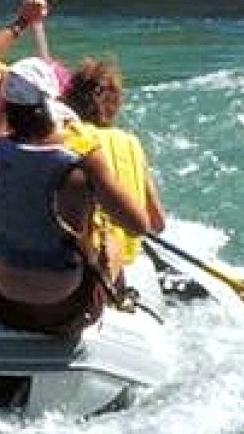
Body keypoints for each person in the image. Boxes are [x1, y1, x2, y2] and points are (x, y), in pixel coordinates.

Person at [0, 57, 160, 340]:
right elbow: (139, 225)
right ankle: (116, 301)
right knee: (108, 237)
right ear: (52, 106)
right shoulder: (84, 158)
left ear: (6, 109)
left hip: (4, 301)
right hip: (68, 306)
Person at [62, 56, 167, 278]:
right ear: (116, 103)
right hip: (128, 259)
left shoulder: (70, 137)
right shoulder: (132, 143)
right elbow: (157, 222)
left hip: (88, 260)